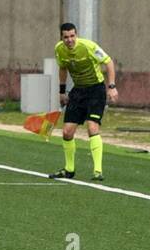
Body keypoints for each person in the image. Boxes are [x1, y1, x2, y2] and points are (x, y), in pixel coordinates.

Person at [49, 22, 118, 182]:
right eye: (66, 37)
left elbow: (108, 62)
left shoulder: (88, 46)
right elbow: (63, 68)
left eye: (72, 36)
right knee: (67, 132)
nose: (69, 40)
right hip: (78, 91)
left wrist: (112, 86)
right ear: (62, 37)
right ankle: (69, 169)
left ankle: (98, 171)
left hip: (96, 90)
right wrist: (61, 92)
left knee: (92, 127)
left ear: (76, 35)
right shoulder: (59, 49)